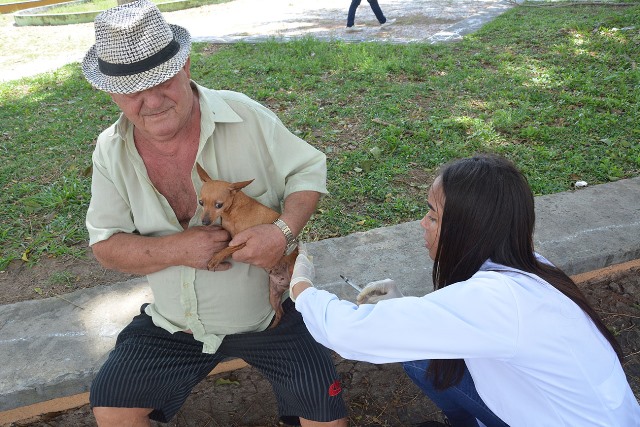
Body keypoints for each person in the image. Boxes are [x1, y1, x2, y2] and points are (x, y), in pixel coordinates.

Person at [81, 1, 348, 425]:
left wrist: (282, 231)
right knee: (111, 403)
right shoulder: (110, 150)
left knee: (325, 408)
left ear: (184, 65)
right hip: (173, 326)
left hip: (269, 315)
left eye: (162, 80)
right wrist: (177, 249)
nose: (151, 101)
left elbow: (307, 170)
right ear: (109, 90)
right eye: (133, 89)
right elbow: (107, 248)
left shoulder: (244, 115)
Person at [289, 155, 640, 427]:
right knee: (426, 356)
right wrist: (403, 306)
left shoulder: (498, 300)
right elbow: (461, 321)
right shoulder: (526, 263)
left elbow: (348, 332)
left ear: (468, 229)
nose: (422, 224)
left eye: (433, 216)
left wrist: (302, 285)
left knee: (421, 359)